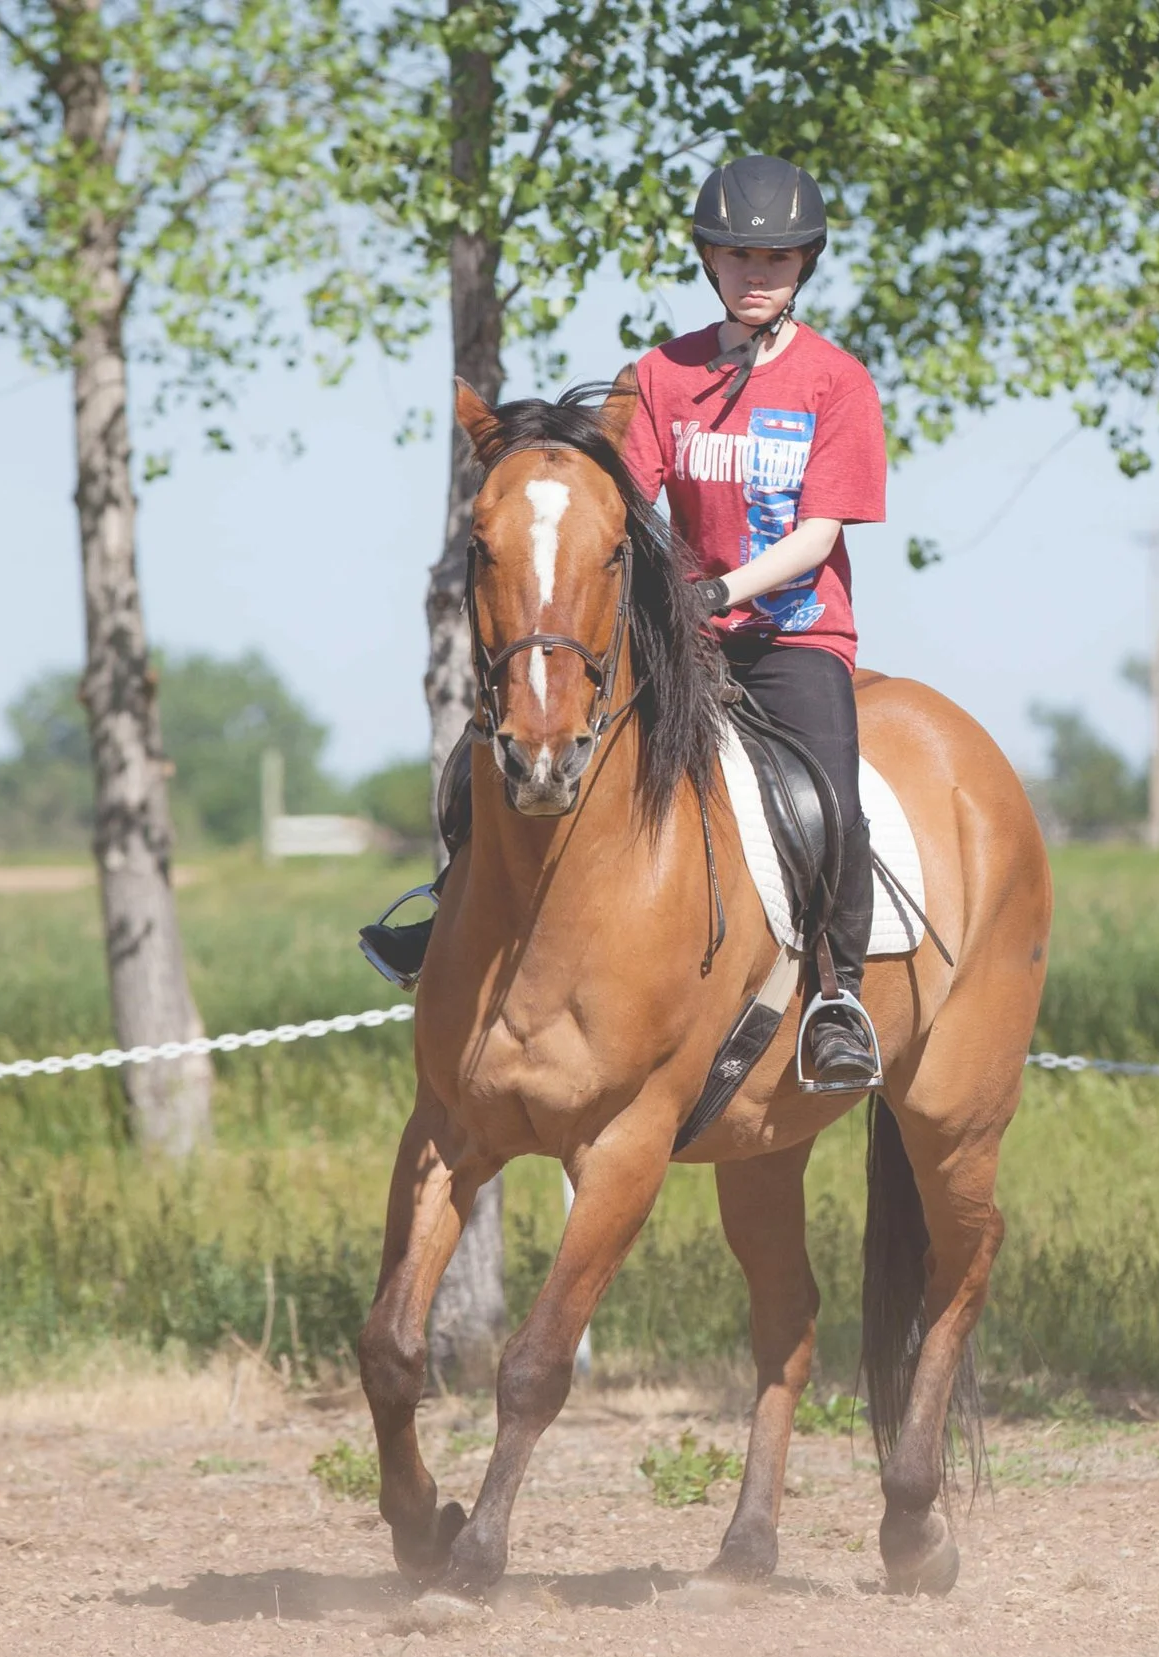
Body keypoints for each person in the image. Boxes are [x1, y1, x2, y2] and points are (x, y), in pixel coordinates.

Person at [361, 155, 885, 1092]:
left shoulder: (835, 383)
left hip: (795, 635)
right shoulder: (658, 376)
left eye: (776, 259)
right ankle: (446, 910)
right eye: (736, 257)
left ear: (805, 263)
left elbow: (819, 534)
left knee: (833, 807)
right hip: (681, 640)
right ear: (709, 262)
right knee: (484, 755)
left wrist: (722, 592)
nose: (755, 275)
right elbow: (616, 509)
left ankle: (836, 1000)